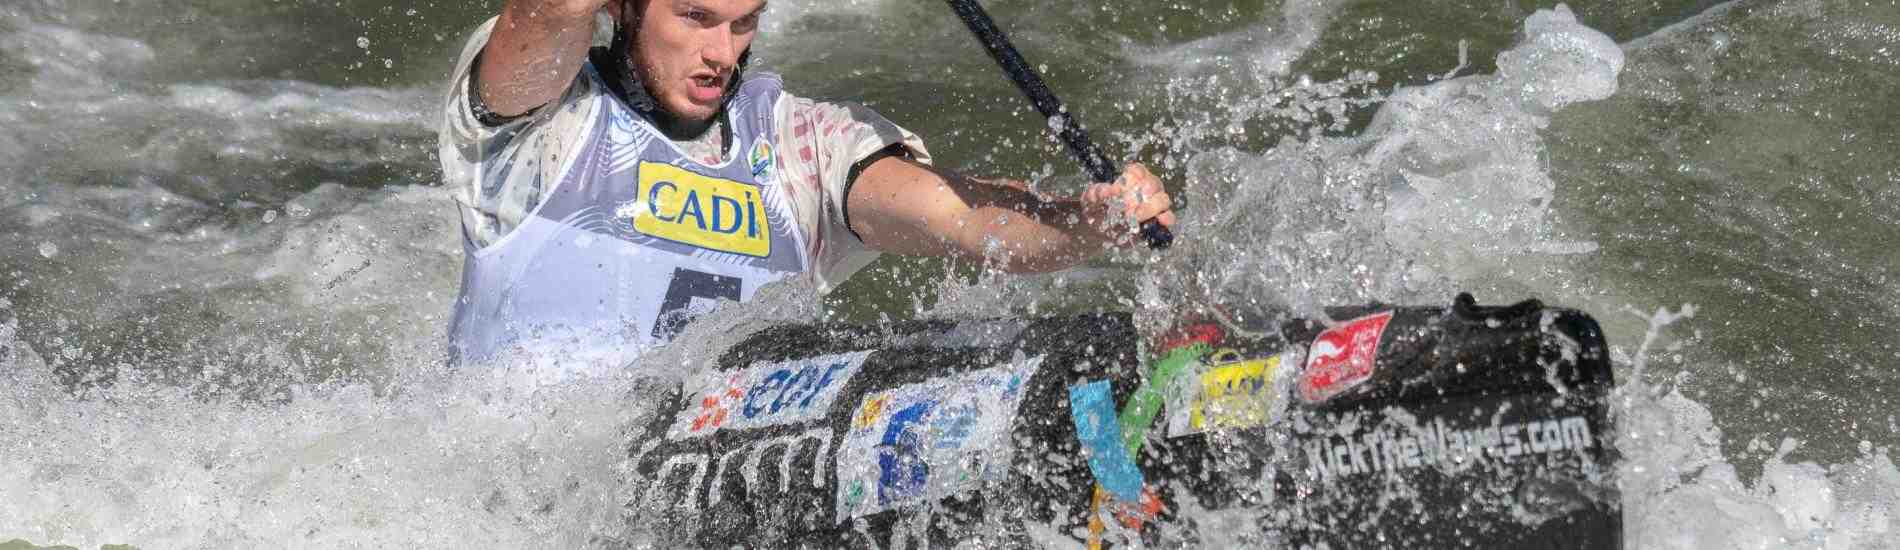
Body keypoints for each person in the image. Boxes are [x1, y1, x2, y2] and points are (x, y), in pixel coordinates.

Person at [439, 0, 1177, 365]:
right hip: (530, 497)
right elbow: (547, 12)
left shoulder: (797, 142)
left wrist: (1088, 224)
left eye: (742, 23)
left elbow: (961, 220)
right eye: (693, 18)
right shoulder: (537, 123)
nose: (719, 53)